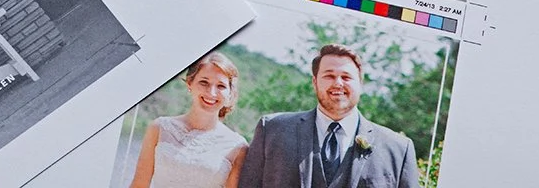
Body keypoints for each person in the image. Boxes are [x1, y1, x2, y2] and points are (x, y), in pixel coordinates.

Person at [238, 44, 419, 188]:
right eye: (329, 76)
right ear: (315, 82)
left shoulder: (398, 149)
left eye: (346, 77)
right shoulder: (272, 130)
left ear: (361, 83)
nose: (338, 83)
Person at [129, 52, 247, 188]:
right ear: (190, 83)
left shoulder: (238, 147)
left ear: (230, 93)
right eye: (204, 82)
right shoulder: (159, 128)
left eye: (221, 86)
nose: (211, 92)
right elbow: (139, 184)